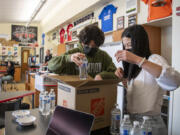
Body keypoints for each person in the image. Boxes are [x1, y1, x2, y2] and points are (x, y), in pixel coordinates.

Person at [115, 25, 169, 135]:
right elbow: (139, 93)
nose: (126, 51)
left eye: (129, 45)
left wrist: (138, 60)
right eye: (125, 46)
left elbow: (173, 81)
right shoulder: (132, 67)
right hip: (131, 121)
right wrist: (124, 81)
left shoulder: (155, 59)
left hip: (149, 123)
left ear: (140, 43)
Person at [48, 24, 117, 80]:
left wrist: (102, 76)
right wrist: (68, 58)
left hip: (97, 94)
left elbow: (115, 73)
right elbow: (51, 65)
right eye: (87, 45)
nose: (90, 48)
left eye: (94, 46)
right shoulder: (73, 53)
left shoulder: (103, 56)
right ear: (82, 42)